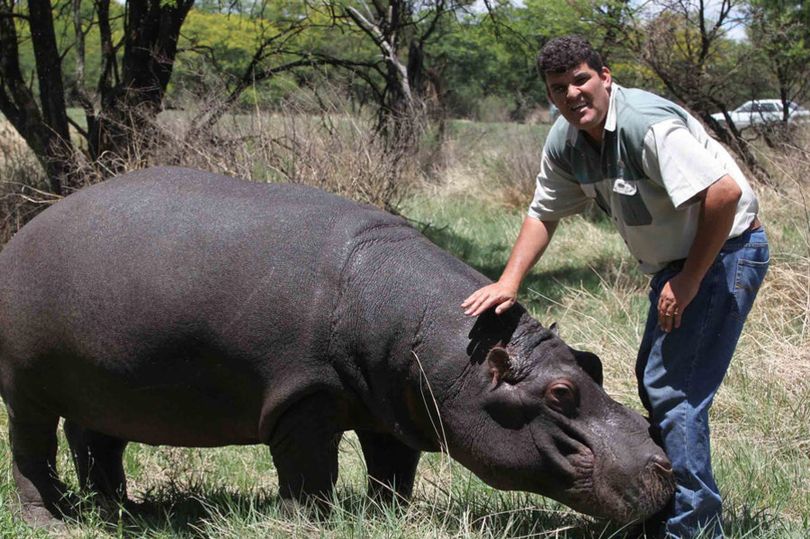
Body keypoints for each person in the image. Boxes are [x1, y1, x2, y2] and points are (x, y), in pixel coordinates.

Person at [461, 36, 769, 538]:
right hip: (678, 266)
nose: (572, 94)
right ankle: (665, 512)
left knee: (674, 393)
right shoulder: (567, 140)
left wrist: (690, 280)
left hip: (723, 256)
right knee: (659, 383)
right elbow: (543, 212)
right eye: (559, 88)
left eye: (581, 80)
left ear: (605, 76)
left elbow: (724, 191)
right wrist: (509, 281)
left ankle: (691, 528)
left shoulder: (645, 126)